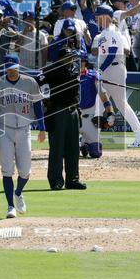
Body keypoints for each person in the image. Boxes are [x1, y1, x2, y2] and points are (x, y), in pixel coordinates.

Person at [0, 55, 46, 218]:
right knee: (6, 170)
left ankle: (18, 193)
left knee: (25, 172)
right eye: (8, 68)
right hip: (4, 130)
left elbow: (38, 105)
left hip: (24, 129)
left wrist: (42, 127)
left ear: (18, 67)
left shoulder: (30, 82)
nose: (11, 70)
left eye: (13, 67)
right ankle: (10, 206)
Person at [92, 5, 140, 147]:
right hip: (108, 70)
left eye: (98, 16)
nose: (96, 19)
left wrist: (101, 70)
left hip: (114, 69)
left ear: (106, 16)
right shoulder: (104, 33)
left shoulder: (113, 31)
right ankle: (92, 136)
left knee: (119, 104)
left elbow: (112, 54)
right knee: (100, 103)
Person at [39, 47, 85, 191]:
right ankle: (56, 180)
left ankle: (72, 179)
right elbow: (39, 80)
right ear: (60, 58)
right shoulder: (51, 69)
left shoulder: (75, 68)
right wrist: (46, 99)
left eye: (71, 56)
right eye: (67, 56)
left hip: (73, 110)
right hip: (57, 110)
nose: (70, 59)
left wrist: (78, 109)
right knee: (57, 148)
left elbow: (76, 90)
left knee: (73, 148)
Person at [77, 51, 115, 159]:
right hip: (73, 118)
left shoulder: (93, 76)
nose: (77, 63)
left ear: (85, 62)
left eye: (80, 61)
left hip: (89, 117)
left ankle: (84, 143)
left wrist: (110, 112)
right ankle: (81, 144)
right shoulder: (67, 77)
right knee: (68, 152)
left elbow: (103, 94)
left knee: (96, 152)